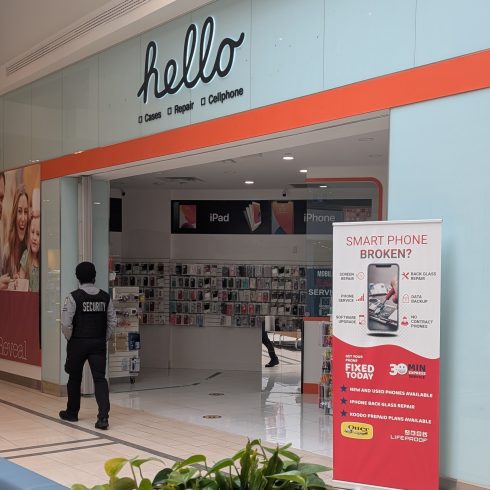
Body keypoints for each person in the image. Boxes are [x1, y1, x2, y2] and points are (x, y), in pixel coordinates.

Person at [60, 261, 116, 430]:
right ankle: (103, 418)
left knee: (74, 378)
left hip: (78, 342)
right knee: (100, 379)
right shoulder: (105, 297)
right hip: (98, 343)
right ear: (94, 277)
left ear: (77, 277)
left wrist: (71, 338)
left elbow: (66, 324)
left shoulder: (73, 297)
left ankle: (72, 413)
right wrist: (103, 338)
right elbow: (112, 322)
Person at [1, 186, 29, 287]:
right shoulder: (6, 253)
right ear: (14, 215)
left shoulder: (30, 251)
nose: (23, 218)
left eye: (26, 212)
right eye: (19, 211)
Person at [19, 214, 40, 292]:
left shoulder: (43, 260)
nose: (34, 238)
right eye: (32, 232)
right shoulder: (26, 255)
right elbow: (21, 283)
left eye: (38, 234)